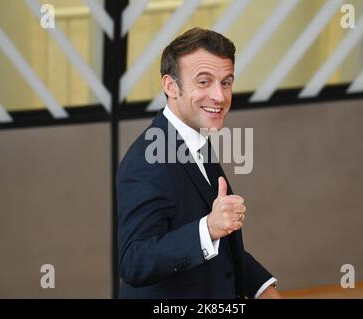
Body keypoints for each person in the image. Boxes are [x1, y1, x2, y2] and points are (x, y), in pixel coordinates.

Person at [116, 27, 280, 299]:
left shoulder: (195, 139)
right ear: (170, 86)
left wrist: (263, 288)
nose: (219, 96)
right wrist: (208, 228)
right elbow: (134, 262)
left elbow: (221, 247)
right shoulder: (148, 160)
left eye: (226, 82)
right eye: (204, 82)